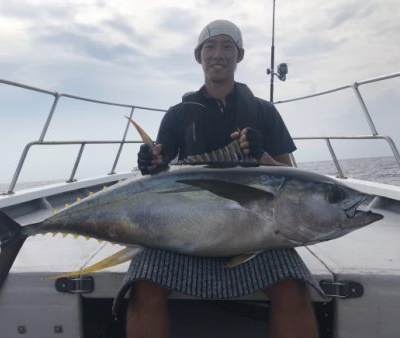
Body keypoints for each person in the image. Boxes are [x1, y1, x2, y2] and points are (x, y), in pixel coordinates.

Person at [115, 19, 322, 338]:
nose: (218, 54)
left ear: (239, 55)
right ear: (198, 56)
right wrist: (150, 162)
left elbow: (290, 177)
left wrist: (260, 155)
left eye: (227, 46)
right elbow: (160, 170)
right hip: (184, 230)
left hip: (257, 232)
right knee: (144, 290)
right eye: (210, 47)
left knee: (293, 291)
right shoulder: (178, 114)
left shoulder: (264, 112)